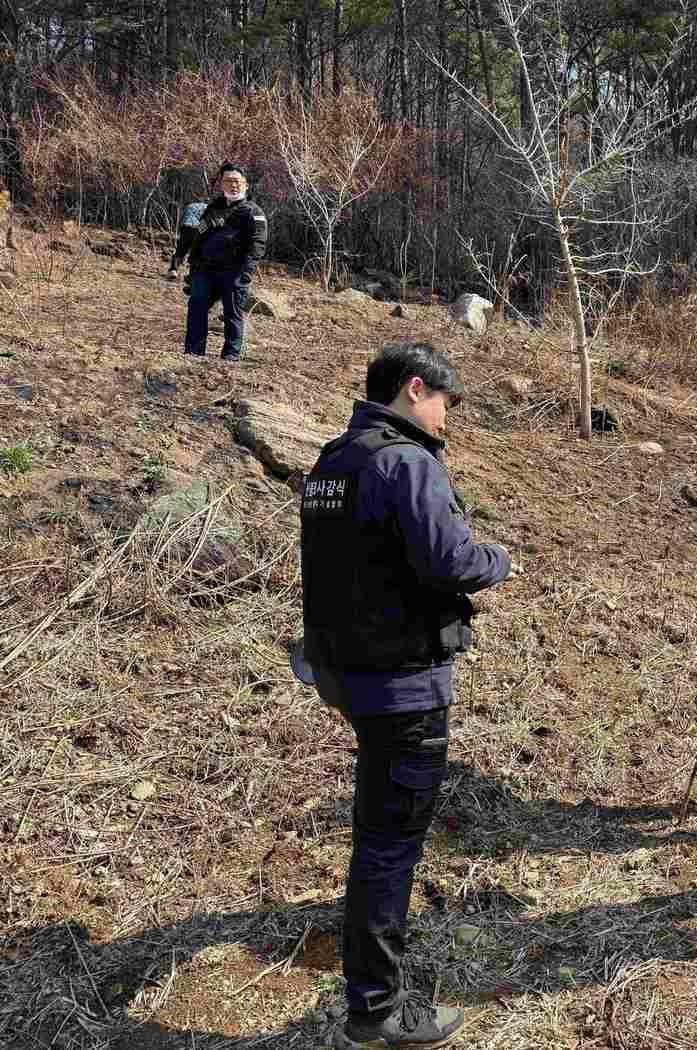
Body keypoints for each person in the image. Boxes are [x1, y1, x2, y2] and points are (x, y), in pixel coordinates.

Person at [300, 341, 515, 1048]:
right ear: (415, 390)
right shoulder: (405, 462)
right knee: (389, 847)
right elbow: (451, 561)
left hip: (349, 673)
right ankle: (378, 1007)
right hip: (403, 683)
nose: (448, 417)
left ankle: (371, 989)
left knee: (377, 835)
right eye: (445, 402)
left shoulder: (333, 460)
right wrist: (500, 559)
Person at [183, 162, 267, 361]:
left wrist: (245, 273)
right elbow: (199, 237)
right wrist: (193, 267)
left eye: (237, 181)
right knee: (196, 310)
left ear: (245, 185)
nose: (233, 185)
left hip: (234, 273)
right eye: (228, 181)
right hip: (205, 271)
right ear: (221, 184)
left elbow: (258, 246)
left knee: (233, 314)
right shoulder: (213, 208)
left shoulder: (253, 212)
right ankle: (193, 353)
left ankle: (230, 357)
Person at [166, 200, 207, 280]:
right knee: (197, 254)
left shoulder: (189, 206)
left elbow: (182, 219)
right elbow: (207, 220)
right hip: (199, 229)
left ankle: (173, 270)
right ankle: (192, 275)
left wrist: (180, 231)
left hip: (187, 227)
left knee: (180, 250)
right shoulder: (207, 207)